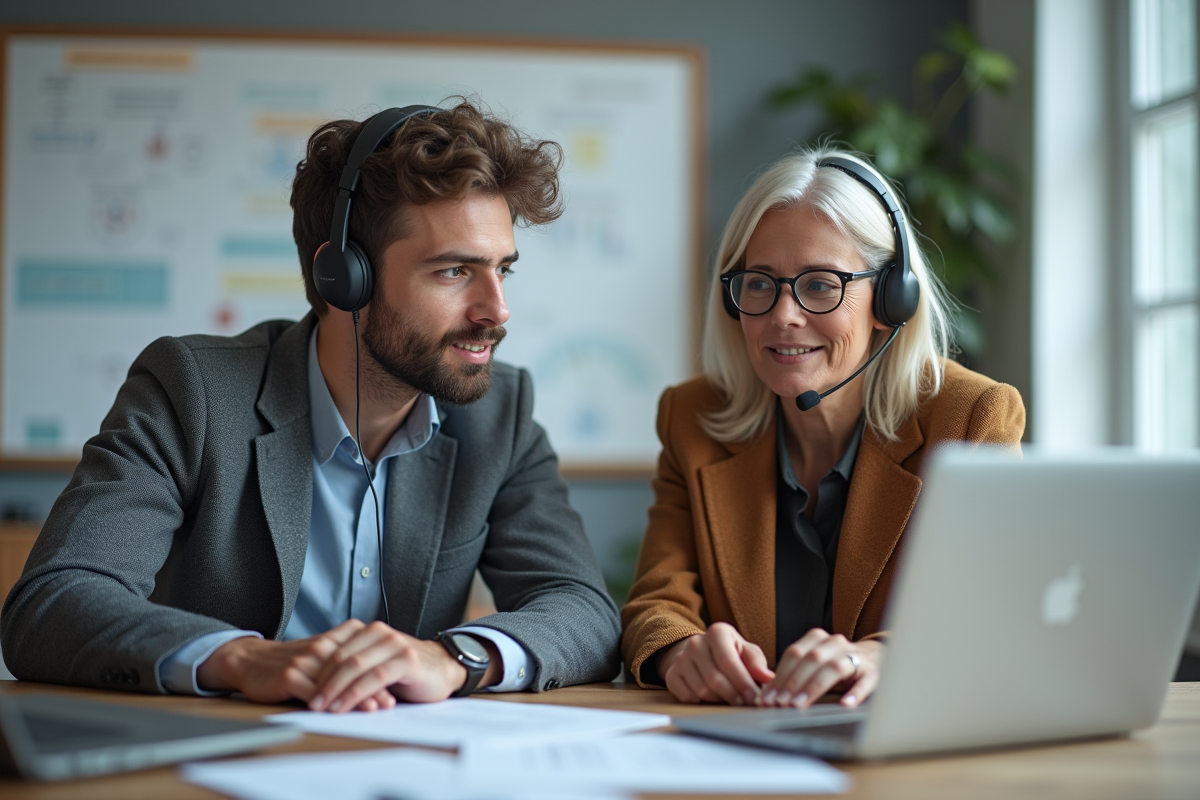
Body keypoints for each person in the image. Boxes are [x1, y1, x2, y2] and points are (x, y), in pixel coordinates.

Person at [1, 101, 621, 712]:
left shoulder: (501, 415)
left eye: (502, 270)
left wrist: (454, 659)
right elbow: (53, 602)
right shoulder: (191, 390)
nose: (497, 310)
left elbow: (583, 610)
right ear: (343, 279)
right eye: (455, 272)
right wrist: (241, 659)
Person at [620, 147, 1024, 709]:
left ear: (890, 299)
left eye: (820, 284)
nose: (783, 315)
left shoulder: (970, 417)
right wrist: (681, 650)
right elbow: (654, 603)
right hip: (745, 758)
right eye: (759, 284)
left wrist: (884, 656)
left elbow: (997, 614)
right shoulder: (693, 418)